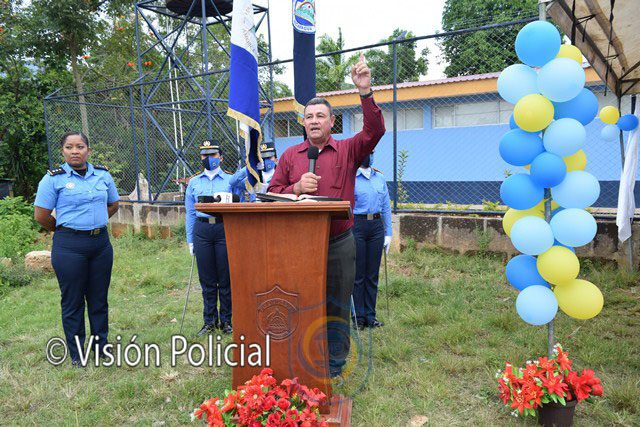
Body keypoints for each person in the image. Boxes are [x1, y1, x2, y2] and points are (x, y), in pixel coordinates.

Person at [268, 53, 385, 378]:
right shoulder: (290, 156)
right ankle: (301, 356)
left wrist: (365, 91)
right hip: (299, 243)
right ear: (303, 123)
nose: (314, 121)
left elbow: (374, 132)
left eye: (321, 116)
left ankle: (333, 363)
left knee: (337, 303)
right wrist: (295, 188)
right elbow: (272, 193)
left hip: (338, 241)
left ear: (332, 122)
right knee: (301, 300)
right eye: (309, 117)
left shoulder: (347, 150)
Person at [34, 132, 119, 367]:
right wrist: (65, 229)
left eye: (80, 146)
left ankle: (101, 347)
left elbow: (113, 204)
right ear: (62, 151)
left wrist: (95, 221)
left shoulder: (102, 175)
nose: (75, 151)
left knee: (99, 299)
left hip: (100, 245)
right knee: (73, 301)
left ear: (88, 150)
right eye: (69, 147)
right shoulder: (53, 179)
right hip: (69, 246)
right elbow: (41, 215)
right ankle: (77, 354)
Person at [185, 140, 233, 335]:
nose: (209, 158)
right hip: (202, 230)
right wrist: (190, 240)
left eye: (213, 154)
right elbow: (190, 212)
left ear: (221, 157)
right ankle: (209, 321)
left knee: (225, 277)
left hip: (224, 228)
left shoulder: (230, 180)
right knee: (207, 279)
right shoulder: (194, 182)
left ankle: (227, 320)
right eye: (205, 155)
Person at [352, 151, 392, 330]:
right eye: (366, 152)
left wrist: (388, 233)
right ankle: (358, 317)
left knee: (372, 274)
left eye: (372, 152)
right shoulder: (352, 178)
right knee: (358, 274)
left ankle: (370, 316)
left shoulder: (379, 177)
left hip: (376, 226)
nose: (369, 155)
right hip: (358, 225)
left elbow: (386, 207)